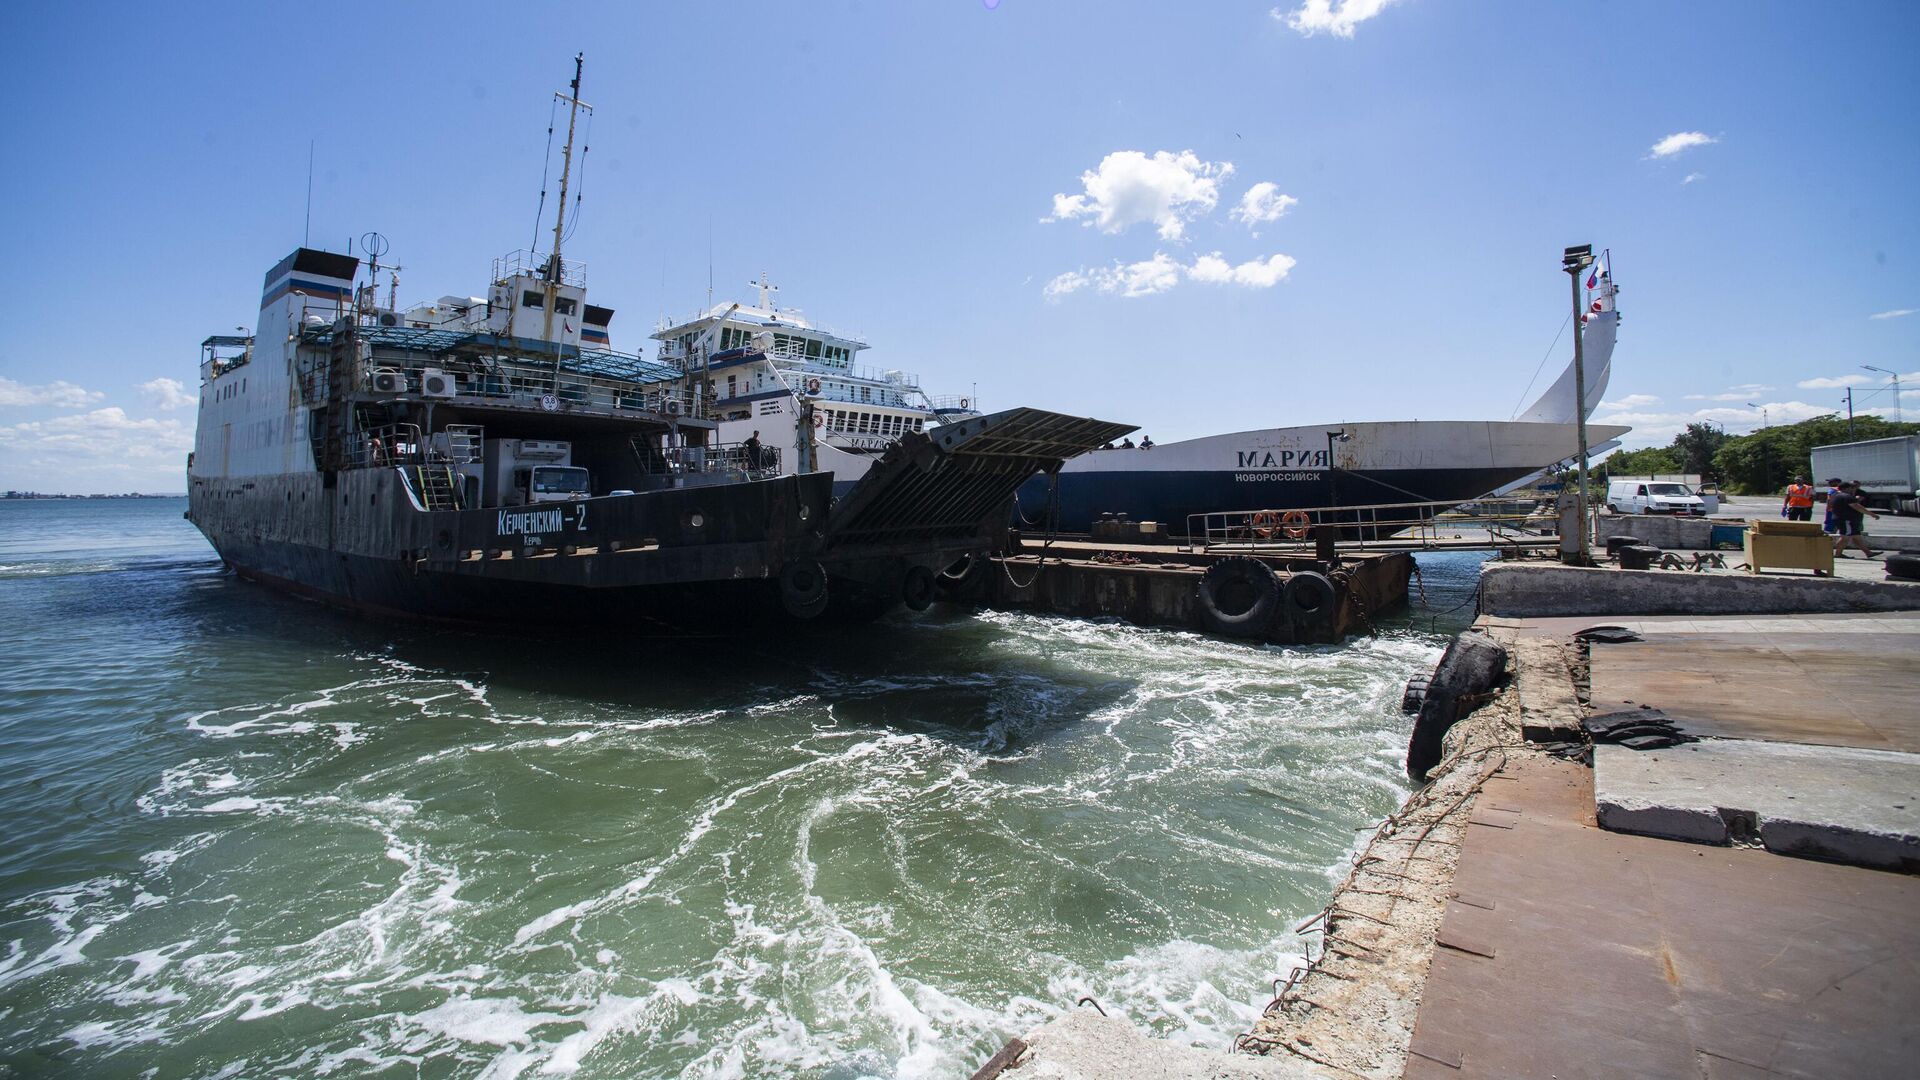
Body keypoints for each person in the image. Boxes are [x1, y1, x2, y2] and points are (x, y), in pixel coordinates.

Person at [1829, 480, 1880, 559]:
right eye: (1851, 488)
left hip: (1845, 519)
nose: (1852, 489)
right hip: (1846, 520)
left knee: (1856, 536)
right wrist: (1872, 514)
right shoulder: (1846, 496)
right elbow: (1857, 506)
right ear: (1846, 488)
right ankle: (1838, 554)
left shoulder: (1835, 495)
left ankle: (1868, 553)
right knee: (1845, 537)